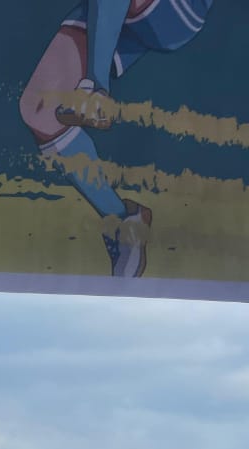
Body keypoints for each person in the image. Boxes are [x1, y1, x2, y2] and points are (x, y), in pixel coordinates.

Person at [19, 0, 212, 277]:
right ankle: (123, 223)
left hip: (175, 9)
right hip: (113, 9)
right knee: (39, 109)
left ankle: (95, 90)